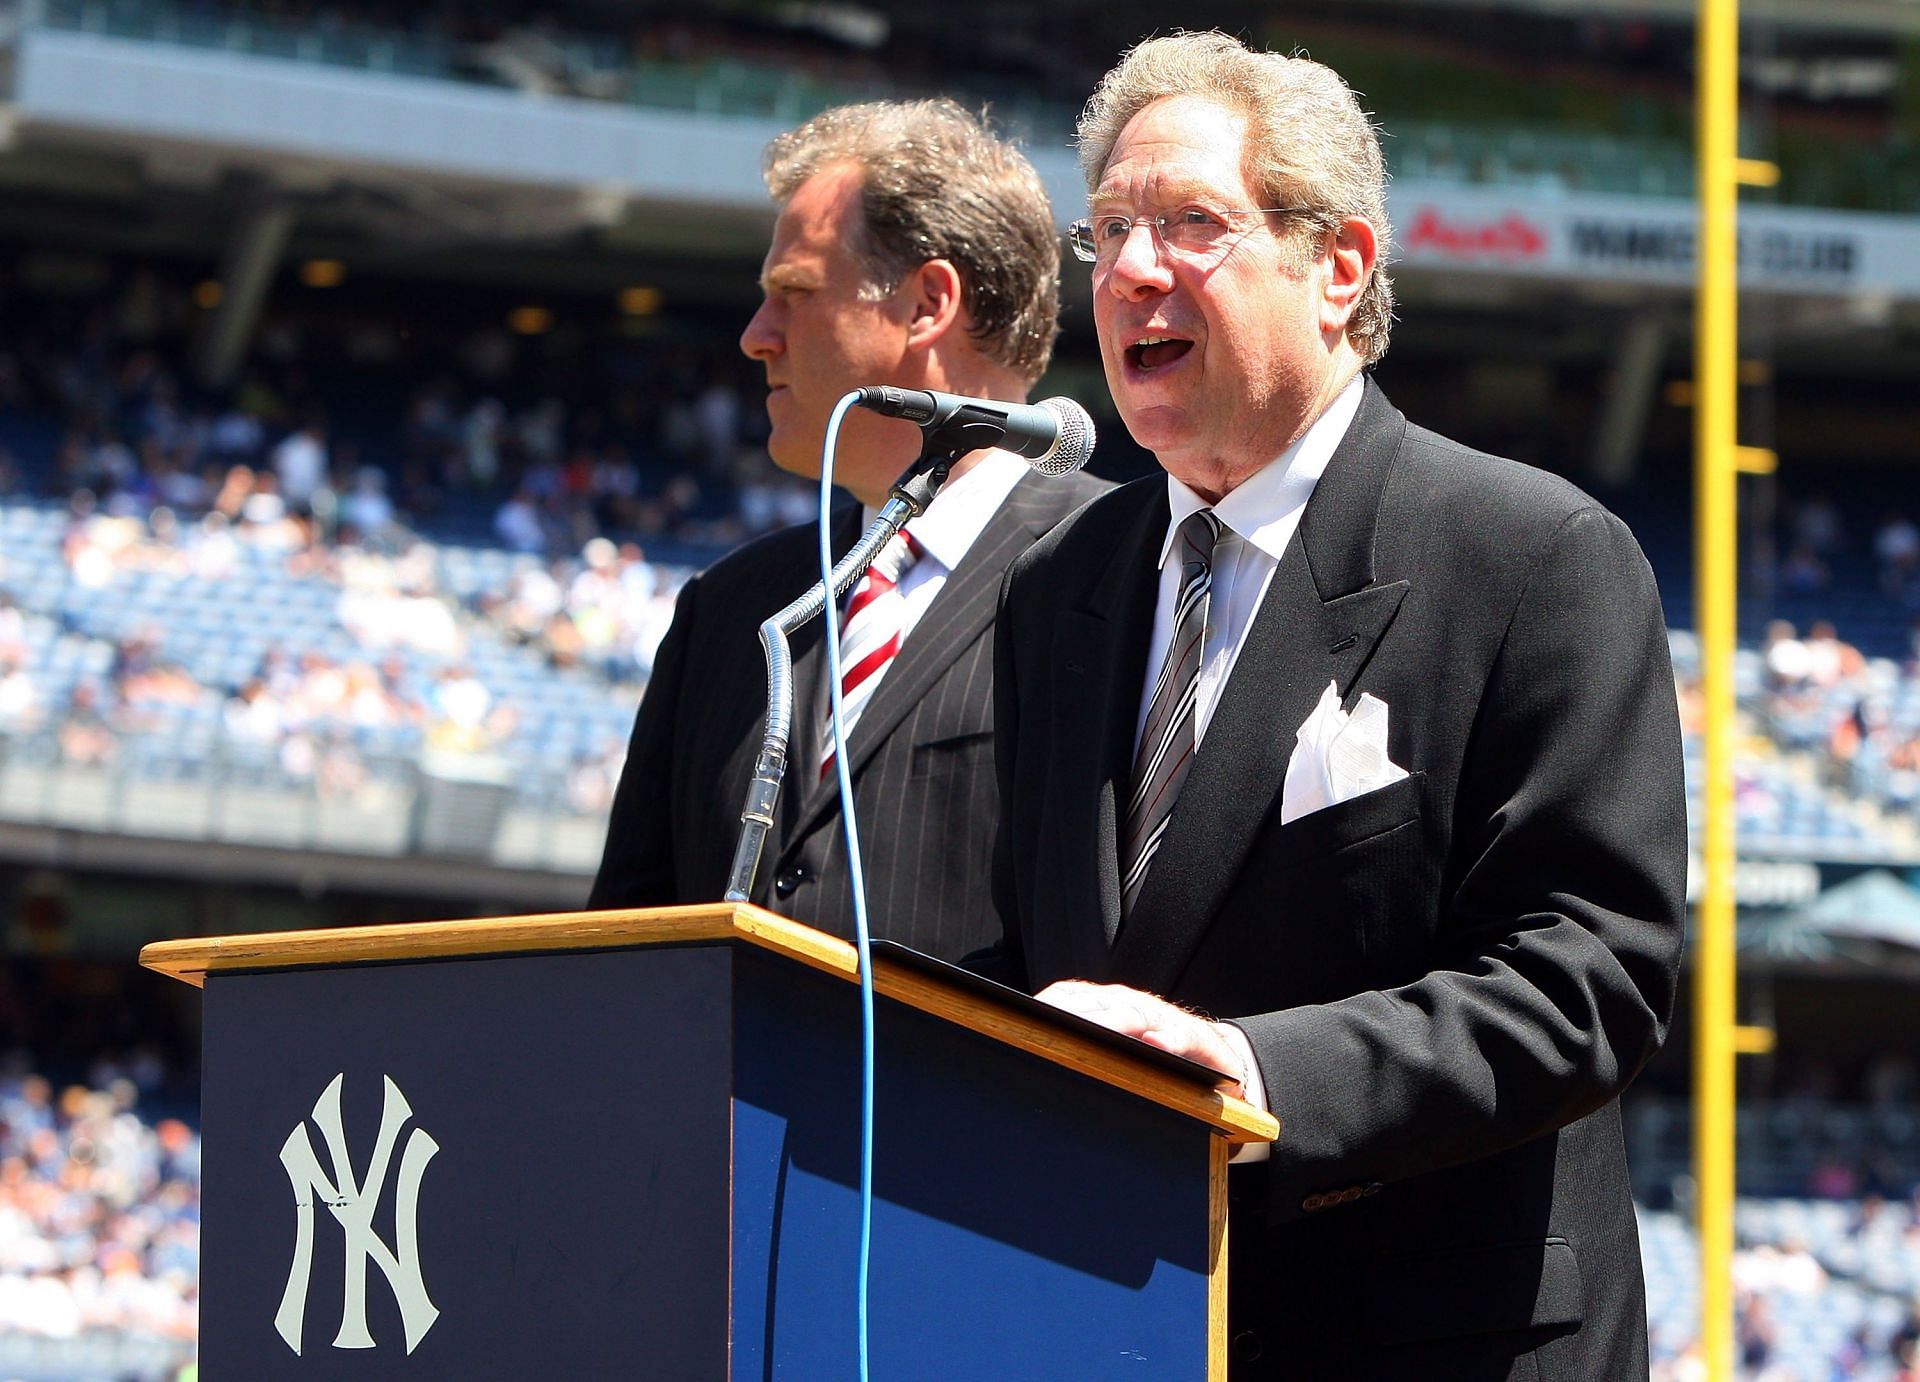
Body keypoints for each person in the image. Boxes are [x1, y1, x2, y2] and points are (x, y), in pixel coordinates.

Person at [985, 34, 1686, 1378]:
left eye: (1191, 224)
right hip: (1124, 1325)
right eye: (1113, 231)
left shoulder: (1530, 555)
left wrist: (1254, 1071)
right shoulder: (1059, 580)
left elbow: (1588, 978)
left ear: (1341, 267)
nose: (1133, 270)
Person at [590, 100, 1106, 959]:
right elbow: (619, 949)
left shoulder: (1119, 575)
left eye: (793, 294)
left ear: (927, 304)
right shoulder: (726, 611)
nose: (757, 337)